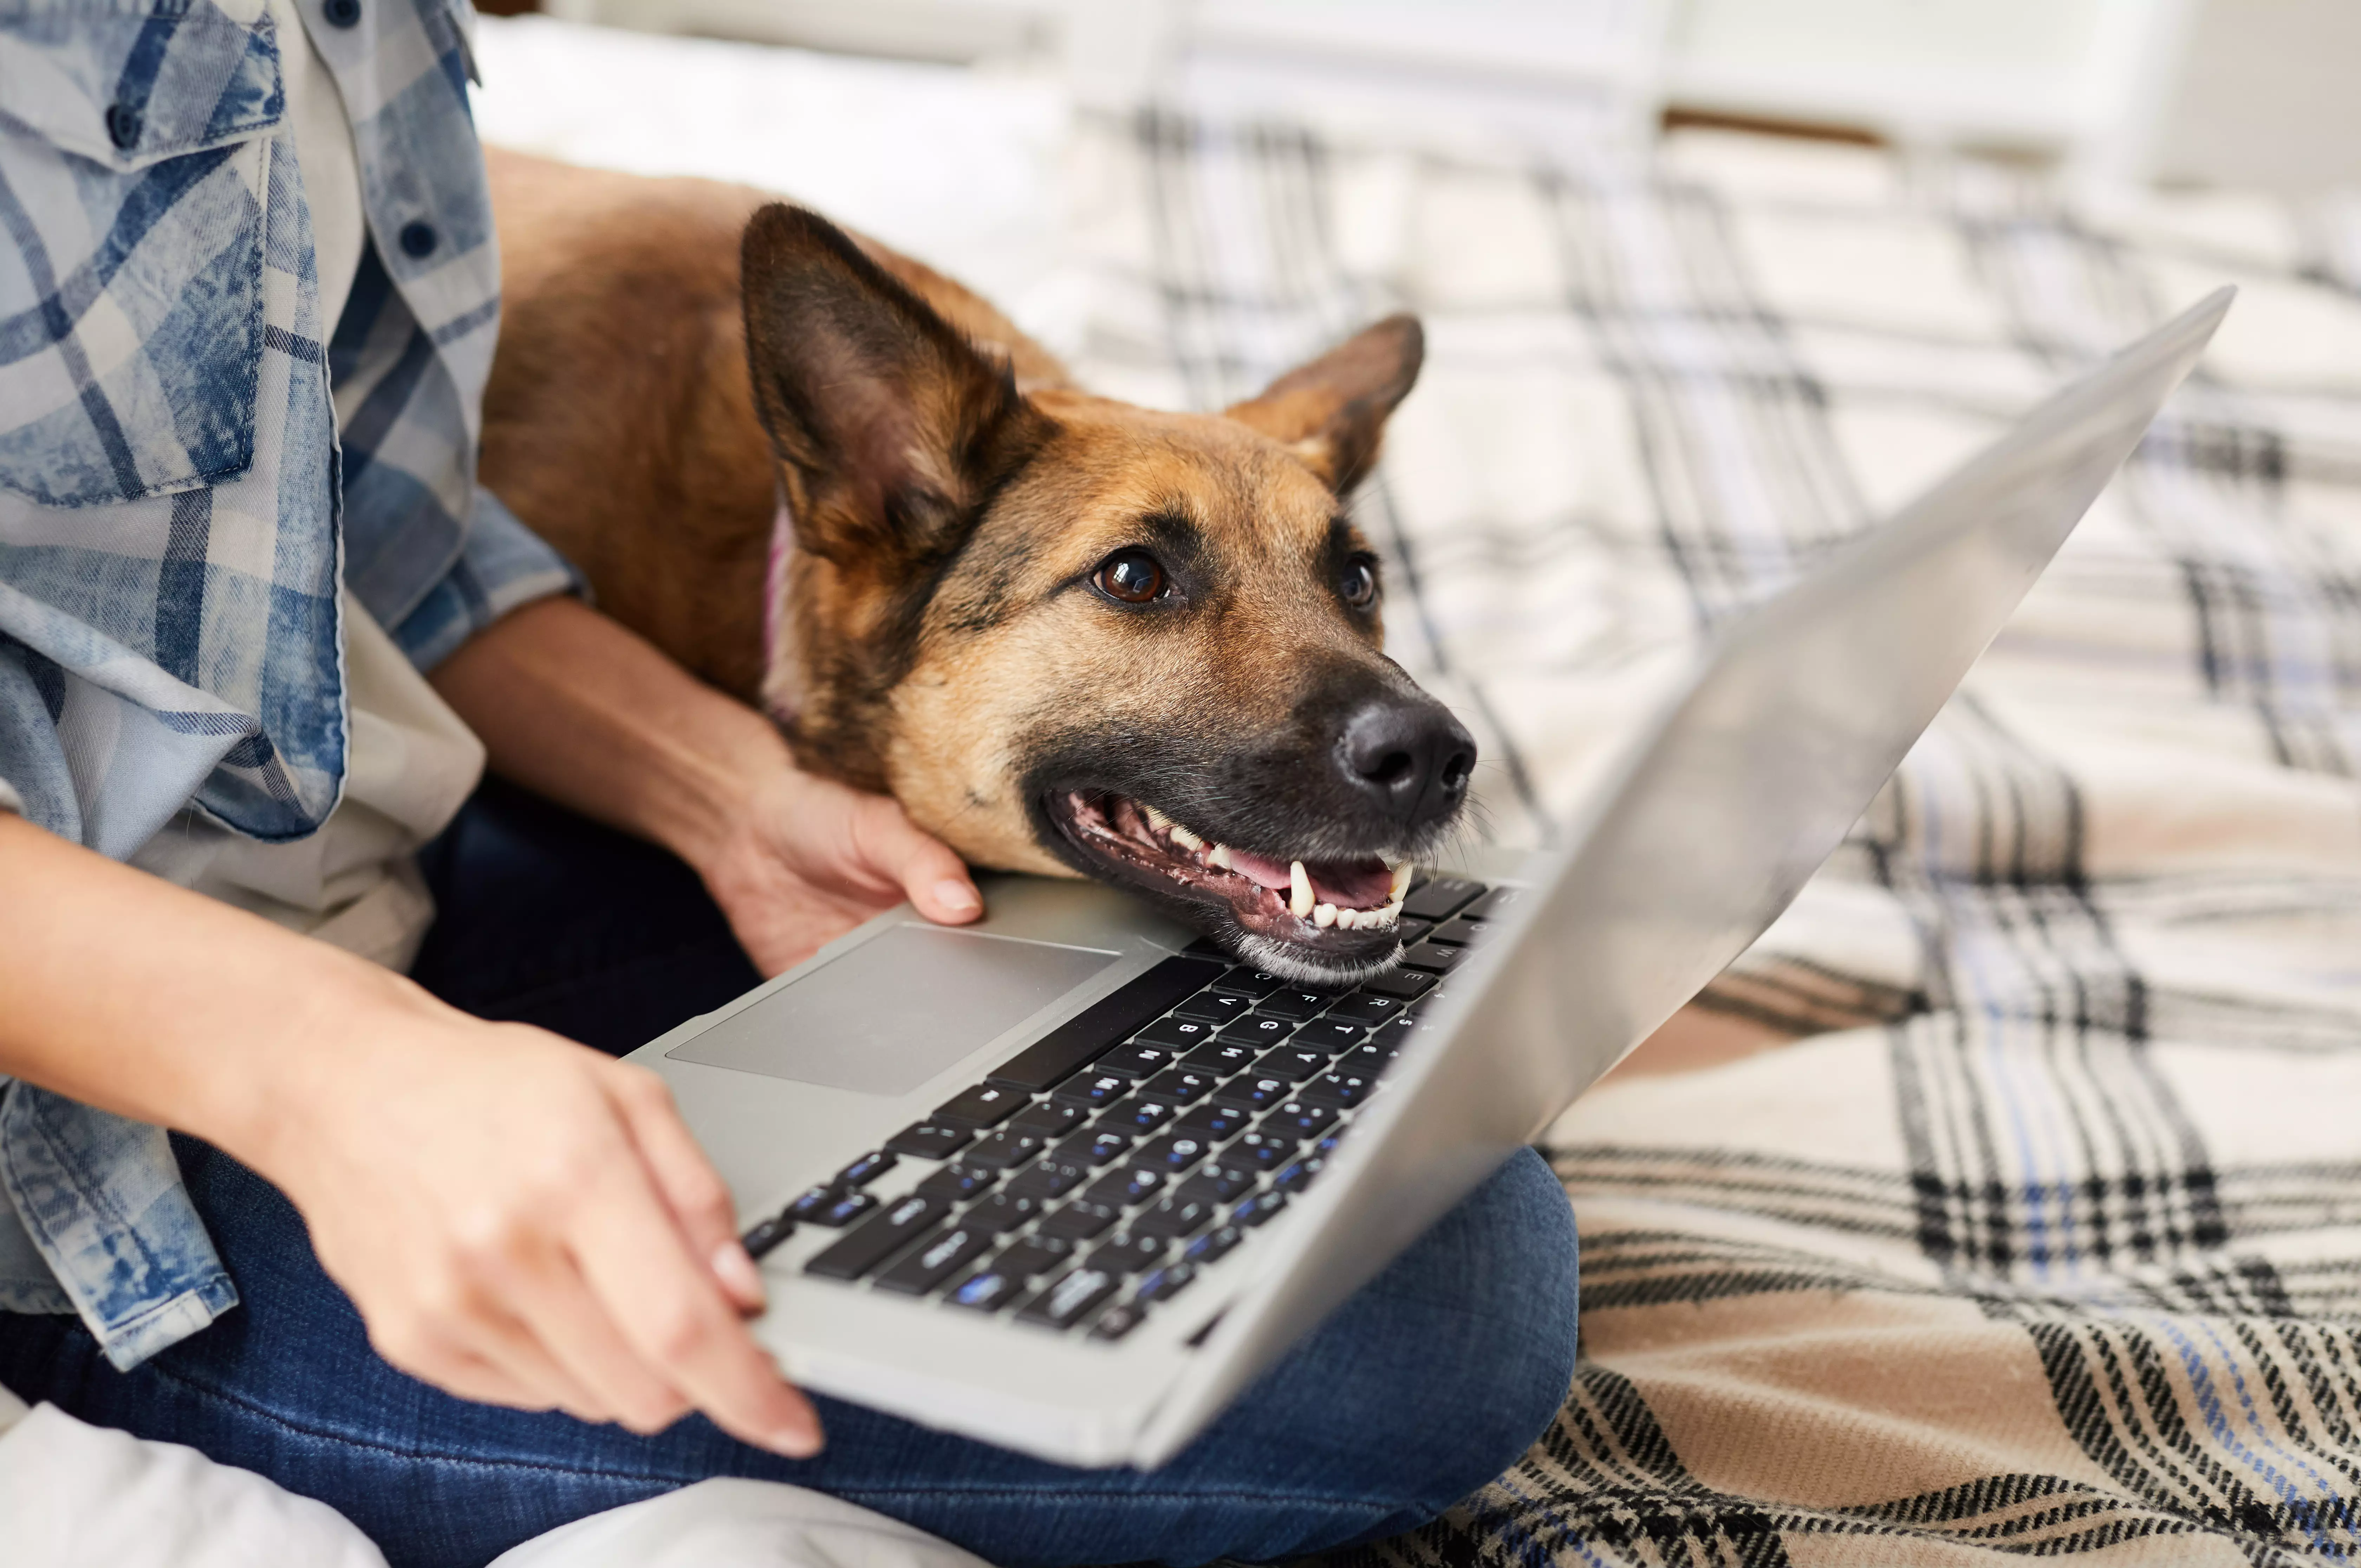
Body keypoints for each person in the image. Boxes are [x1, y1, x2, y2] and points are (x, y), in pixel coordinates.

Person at [0, 3, 1581, 1564]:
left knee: (1407, 1170)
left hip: (366, 876)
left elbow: (370, 539)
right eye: (1142, 583)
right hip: (81, 1177)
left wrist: (730, 803)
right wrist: (333, 1076)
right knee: (1430, 1328)